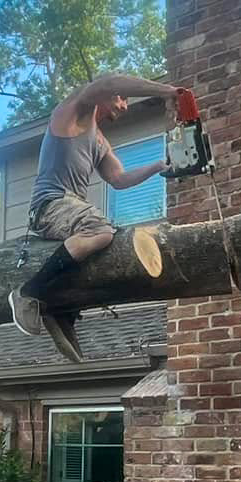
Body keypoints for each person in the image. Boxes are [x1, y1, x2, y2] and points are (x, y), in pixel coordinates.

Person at [10, 73, 186, 363]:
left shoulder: (100, 140)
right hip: (48, 205)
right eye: (121, 98)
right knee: (100, 230)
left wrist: (158, 165)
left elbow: (118, 178)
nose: (125, 105)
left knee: (101, 247)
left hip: (70, 211)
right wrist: (167, 91)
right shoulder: (74, 112)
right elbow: (108, 83)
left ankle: (62, 310)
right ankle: (29, 292)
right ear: (104, 95)